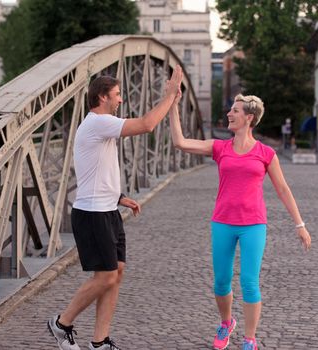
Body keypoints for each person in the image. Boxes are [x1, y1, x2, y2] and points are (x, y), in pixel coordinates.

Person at [48, 65, 183, 350]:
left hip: (107, 209)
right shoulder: (97, 122)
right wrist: (170, 96)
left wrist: (118, 196)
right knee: (106, 276)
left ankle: (99, 341)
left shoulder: (101, 126)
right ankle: (61, 324)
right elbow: (147, 125)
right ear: (102, 97)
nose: (121, 100)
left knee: (116, 273)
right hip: (92, 213)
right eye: (117, 95)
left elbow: (96, 168)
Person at [168, 93, 311, 350]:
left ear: (249, 118)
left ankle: (250, 340)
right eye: (230, 110)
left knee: (249, 281)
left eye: (234, 111)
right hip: (222, 222)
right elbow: (180, 142)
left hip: (253, 225)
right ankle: (226, 323)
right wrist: (172, 105)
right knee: (221, 281)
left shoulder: (266, 153)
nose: (229, 114)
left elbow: (283, 189)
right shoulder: (220, 148)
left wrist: (299, 224)